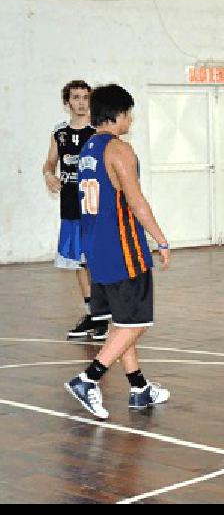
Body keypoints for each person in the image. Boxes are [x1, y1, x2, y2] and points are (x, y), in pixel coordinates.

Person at [64, 84, 172, 420]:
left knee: (121, 322)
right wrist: (161, 240)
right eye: (129, 113)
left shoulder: (87, 149)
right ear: (118, 113)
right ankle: (88, 379)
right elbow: (136, 202)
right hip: (124, 250)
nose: (131, 119)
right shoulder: (119, 150)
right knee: (136, 323)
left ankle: (139, 388)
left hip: (96, 248)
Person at [42, 80, 107, 339]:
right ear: (67, 102)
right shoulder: (60, 132)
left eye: (85, 97)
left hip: (94, 205)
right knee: (79, 261)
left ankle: (103, 314)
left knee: (96, 259)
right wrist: (48, 174)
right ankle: (93, 313)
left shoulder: (98, 131)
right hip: (70, 204)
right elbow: (49, 161)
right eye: (76, 97)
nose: (81, 102)